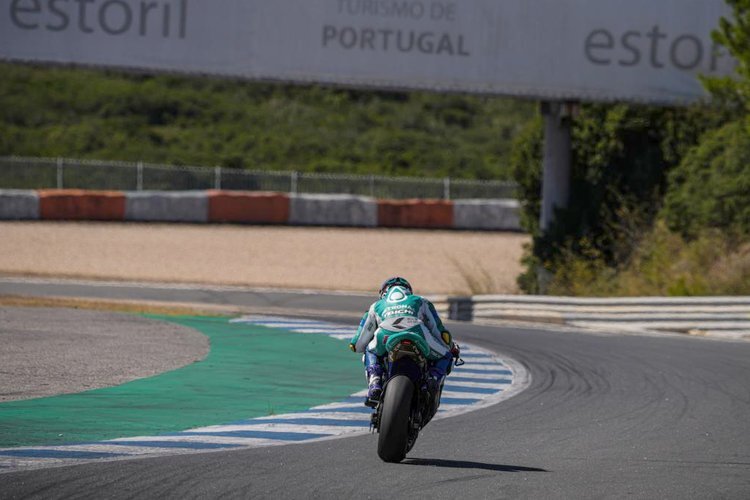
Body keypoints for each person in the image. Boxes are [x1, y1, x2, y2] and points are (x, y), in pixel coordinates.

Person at [349, 276, 459, 403]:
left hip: (385, 334)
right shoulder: (421, 301)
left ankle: (375, 380)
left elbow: (357, 344)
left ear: (383, 292)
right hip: (417, 332)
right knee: (446, 356)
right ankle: (433, 380)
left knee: (370, 351)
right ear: (408, 291)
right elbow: (439, 330)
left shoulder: (376, 306)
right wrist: (450, 347)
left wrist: (355, 345)